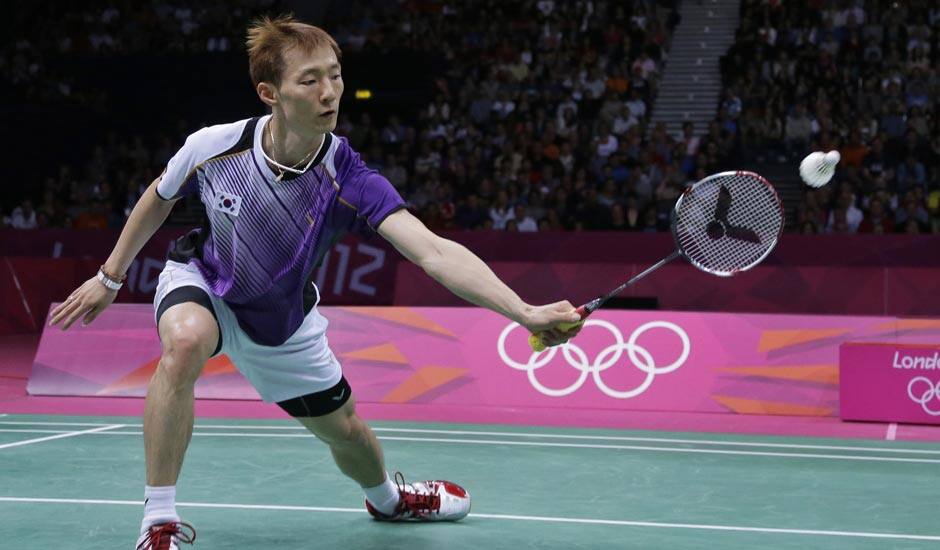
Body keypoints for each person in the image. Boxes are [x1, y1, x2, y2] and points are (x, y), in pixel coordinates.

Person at [48, 16, 582, 550]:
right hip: (205, 281)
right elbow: (160, 196)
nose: (329, 93)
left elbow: (433, 251)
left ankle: (389, 499)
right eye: (310, 80)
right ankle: (158, 521)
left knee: (345, 431)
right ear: (269, 93)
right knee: (184, 343)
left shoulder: (348, 178)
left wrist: (525, 312)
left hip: (283, 321)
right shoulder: (215, 146)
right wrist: (110, 276)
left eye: (335, 75)